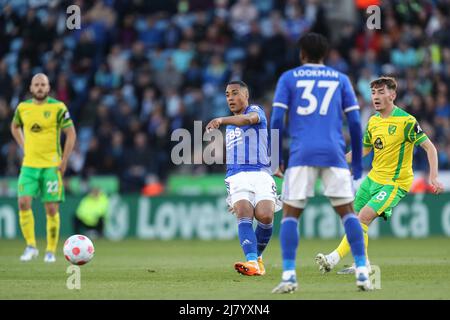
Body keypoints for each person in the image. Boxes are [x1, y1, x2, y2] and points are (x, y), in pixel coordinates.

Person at [270, 32, 370, 292]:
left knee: (291, 216)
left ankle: (290, 276)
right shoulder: (341, 79)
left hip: (301, 154)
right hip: (334, 155)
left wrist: (275, 159)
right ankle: (362, 272)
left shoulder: (288, 78)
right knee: (348, 214)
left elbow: (277, 121)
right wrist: (357, 162)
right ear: (325, 55)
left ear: (301, 54)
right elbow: (357, 124)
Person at [315, 76, 444, 275]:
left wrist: (433, 177)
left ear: (392, 95)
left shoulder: (406, 121)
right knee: (352, 219)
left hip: (394, 183)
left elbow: (430, 148)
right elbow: (364, 150)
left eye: (381, 92)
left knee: (362, 218)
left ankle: (333, 258)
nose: (376, 96)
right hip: (373, 179)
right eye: (373, 92)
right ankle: (363, 263)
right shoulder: (373, 121)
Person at [206, 80, 278, 276]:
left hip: (261, 173)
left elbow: (248, 120)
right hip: (236, 175)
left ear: (246, 95)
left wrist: (221, 120)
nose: (230, 97)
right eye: (227, 94)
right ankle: (252, 262)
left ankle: (258, 257)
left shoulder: (255, 111)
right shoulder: (230, 127)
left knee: (265, 215)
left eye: (235, 93)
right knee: (244, 212)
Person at [10, 73, 76, 263]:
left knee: (51, 209)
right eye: (36, 84)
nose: (40, 87)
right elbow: (14, 127)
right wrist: (23, 145)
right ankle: (31, 246)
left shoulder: (58, 108)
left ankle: (50, 251)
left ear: (48, 88)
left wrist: (64, 160)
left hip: (51, 167)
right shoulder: (23, 108)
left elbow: (71, 134)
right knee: (23, 202)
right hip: (29, 165)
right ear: (31, 88)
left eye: (43, 84)